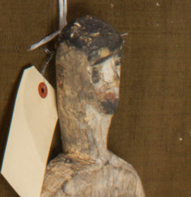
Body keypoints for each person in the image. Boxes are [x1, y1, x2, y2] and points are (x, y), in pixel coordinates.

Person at [41, 15, 144, 197]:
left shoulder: (127, 179)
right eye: (96, 70)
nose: (113, 78)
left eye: (117, 64)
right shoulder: (62, 186)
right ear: (64, 79)